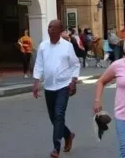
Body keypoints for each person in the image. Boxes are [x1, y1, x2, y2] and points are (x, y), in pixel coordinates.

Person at [33, 19, 80, 158]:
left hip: (63, 86)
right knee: (54, 119)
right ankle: (68, 134)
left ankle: (56, 148)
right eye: (48, 27)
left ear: (60, 30)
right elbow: (39, 64)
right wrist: (36, 82)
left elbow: (75, 65)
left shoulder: (67, 46)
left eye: (53, 28)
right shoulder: (43, 46)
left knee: (59, 115)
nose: (49, 30)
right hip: (49, 86)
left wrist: (73, 81)